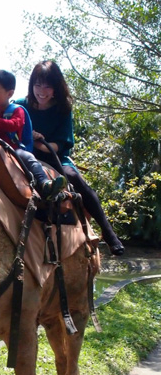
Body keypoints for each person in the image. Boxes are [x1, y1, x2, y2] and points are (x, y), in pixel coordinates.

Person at [15, 60, 125, 256]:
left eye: (47, 86)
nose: (42, 90)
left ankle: (108, 233)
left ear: (56, 88)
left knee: (72, 176)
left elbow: (60, 144)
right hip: (24, 155)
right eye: (38, 84)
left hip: (53, 157)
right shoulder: (20, 106)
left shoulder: (63, 109)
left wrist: (40, 143)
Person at [0, 69, 67, 200]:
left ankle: (45, 184)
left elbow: (14, 125)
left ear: (9, 93)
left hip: (12, 151)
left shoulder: (17, 110)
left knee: (28, 158)